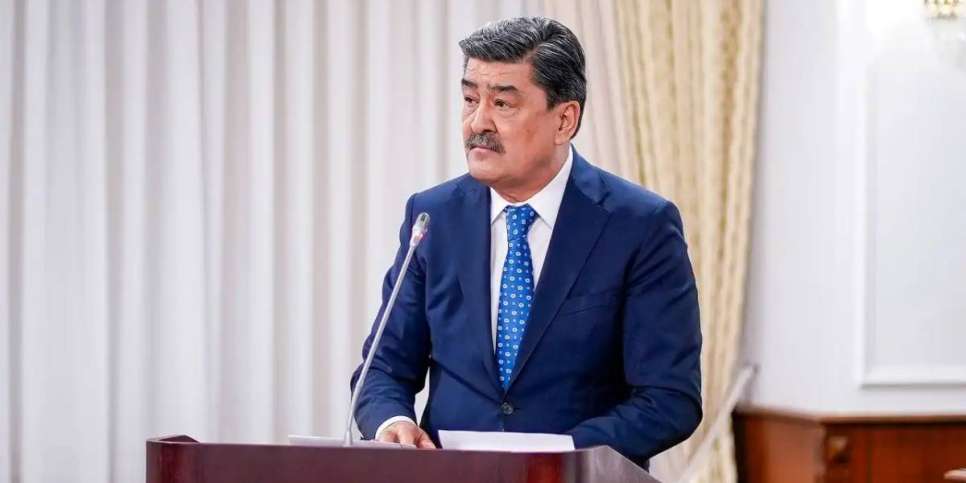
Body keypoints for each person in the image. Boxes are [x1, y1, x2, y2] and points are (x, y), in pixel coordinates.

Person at [350, 16, 702, 468]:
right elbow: (381, 368)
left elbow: (669, 398)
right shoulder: (433, 216)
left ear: (564, 120)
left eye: (503, 103)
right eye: (470, 99)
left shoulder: (640, 225)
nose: (478, 122)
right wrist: (392, 421)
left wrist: (554, 457)